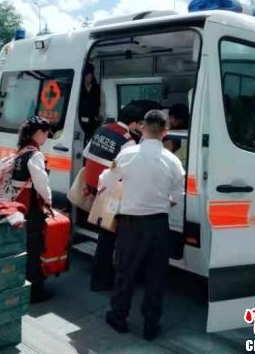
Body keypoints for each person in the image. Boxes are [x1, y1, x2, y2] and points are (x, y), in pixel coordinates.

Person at [99, 110, 185, 341]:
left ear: (143, 129)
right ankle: (150, 325)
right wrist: (163, 202)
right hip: (159, 225)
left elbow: (106, 181)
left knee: (125, 273)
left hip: (131, 224)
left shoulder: (128, 154)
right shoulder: (173, 161)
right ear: (166, 132)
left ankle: (119, 318)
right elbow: (178, 193)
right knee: (156, 277)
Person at [83, 102, 150, 291]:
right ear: (133, 123)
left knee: (105, 235)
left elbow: (87, 154)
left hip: (95, 187)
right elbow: (131, 172)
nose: (142, 128)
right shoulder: (127, 141)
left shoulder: (102, 129)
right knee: (110, 237)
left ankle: (101, 277)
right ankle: (103, 279)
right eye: (141, 124)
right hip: (111, 193)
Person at [0, 116, 53, 303]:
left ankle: (16, 282)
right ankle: (35, 292)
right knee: (33, 249)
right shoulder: (35, 155)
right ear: (38, 133)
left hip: (16, 207)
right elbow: (42, 185)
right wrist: (49, 202)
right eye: (46, 133)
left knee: (20, 246)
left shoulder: (21, 152)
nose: (47, 137)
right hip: (31, 208)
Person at [79, 63, 101, 144]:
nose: (89, 77)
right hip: (81, 120)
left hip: (94, 120)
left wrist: (97, 116)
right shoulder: (79, 88)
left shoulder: (97, 88)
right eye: (87, 75)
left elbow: (100, 103)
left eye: (91, 75)